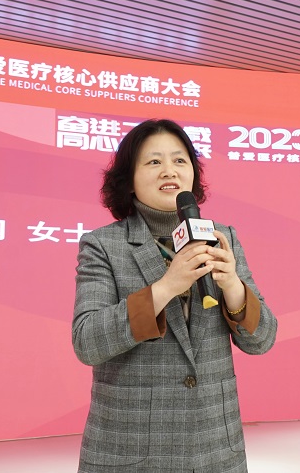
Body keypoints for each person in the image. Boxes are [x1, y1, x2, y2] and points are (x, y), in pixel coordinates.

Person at [72, 118, 278, 472]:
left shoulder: (221, 237)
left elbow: (262, 340)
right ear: (129, 180)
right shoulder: (103, 245)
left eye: (180, 160)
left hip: (215, 448)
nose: (169, 170)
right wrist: (166, 286)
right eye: (154, 161)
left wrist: (232, 286)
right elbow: (88, 342)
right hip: (131, 450)